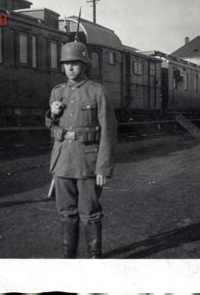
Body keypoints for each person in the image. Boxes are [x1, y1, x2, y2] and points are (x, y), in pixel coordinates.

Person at [45, 41, 117, 259]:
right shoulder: (57, 92)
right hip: (62, 162)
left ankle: (95, 260)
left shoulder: (97, 92)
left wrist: (103, 168)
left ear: (84, 64)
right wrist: (52, 114)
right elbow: (51, 127)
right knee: (66, 213)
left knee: (90, 214)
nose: (70, 68)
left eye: (75, 63)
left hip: (88, 163)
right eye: (66, 64)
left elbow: (109, 131)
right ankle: (69, 260)